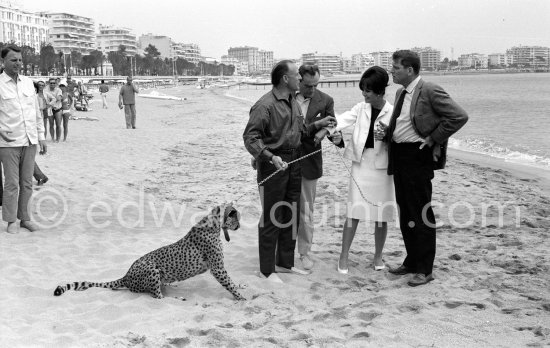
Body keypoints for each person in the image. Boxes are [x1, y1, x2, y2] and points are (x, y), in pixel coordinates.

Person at [243, 60, 337, 282]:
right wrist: (269, 157)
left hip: (295, 161)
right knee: (272, 216)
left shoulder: (292, 102)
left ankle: (284, 263)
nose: (300, 79)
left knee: (291, 213)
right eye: (297, 75)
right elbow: (250, 138)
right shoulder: (264, 105)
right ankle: (266, 271)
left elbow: (301, 130)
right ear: (286, 79)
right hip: (273, 164)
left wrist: (319, 124)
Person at [382, 50, 468, 286]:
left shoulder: (429, 89)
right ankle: (411, 261)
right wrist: (387, 134)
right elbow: (403, 122)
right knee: (406, 212)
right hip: (399, 156)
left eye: (396, 67)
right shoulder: (401, 92)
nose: (392, 71)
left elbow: (458, 116)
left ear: (409, 70)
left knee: (421, 212)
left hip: (417, 156)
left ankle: (425, 268)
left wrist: (434, 138)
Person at [321, 66, 396, 274]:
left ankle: (378, 256)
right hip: (361, 165)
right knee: (354, 212)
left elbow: (401, 138)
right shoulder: (360, 108)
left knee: (382, 214)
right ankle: (343, 256)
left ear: (380, 91)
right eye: (363, 90)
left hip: (382, 168)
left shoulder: (393, 111)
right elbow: (340, 122)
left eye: (368, 91)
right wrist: (327, 130)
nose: (364, 94)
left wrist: (388, 136)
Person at [294, 63, 343, 271]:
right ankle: (281, 250)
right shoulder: (286, 97)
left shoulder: (326, 101)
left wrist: (330, 135)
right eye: (307, 86)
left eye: (315, 85)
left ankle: (304, 252)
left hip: (309, 162)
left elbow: (333, 126)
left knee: (306, 211)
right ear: (298, 80)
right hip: (285, 160)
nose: (312, 90)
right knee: (283, 208)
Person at [0, 45, 47, 233]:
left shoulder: (28, 83)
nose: (18, 63)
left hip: (30, 140)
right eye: (13, 60)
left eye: (20, 60)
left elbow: (36, 112)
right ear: (3, 62)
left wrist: (41, 137)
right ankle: (11, 220)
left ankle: (25, 218)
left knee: (27, 182)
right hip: (8, 142)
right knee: (11, 183)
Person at [44, 77, 63, 142]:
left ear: (56, 83)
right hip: (50, 109)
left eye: (54, 83)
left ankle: (58, 138)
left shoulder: (58, 90)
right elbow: (45, 98)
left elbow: (59, 98)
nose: (52, 84)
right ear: (49, 83)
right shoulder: (46, 90)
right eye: (51, 83)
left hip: (57, 109)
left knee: (58, 125)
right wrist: (54, 99)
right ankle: (52, 138)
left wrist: (51, 100)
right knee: (51, 125)